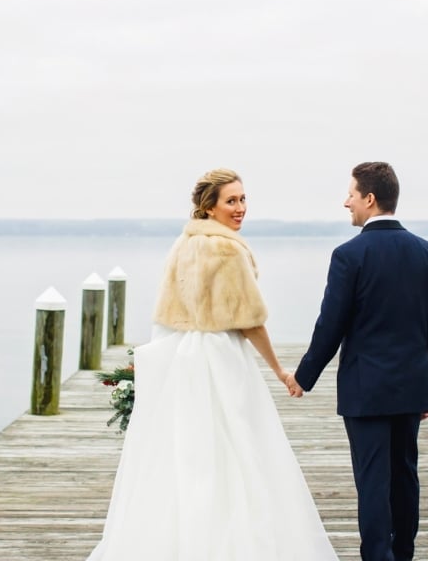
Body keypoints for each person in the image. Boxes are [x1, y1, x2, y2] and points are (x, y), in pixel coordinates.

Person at [85, 168, 337, 561]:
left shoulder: (184, 243)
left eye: (243, 199)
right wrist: (280, 370)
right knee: (237, 453)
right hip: (220, 357)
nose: (240, 208)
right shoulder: (227, 249)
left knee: (184, 454)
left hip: (184, 358)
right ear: (210, 206)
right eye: (231, 201)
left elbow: (167, 314)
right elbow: (251, 321)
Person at [289, 162, 428, 561]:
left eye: (351, 195)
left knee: (373, 481)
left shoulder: (348, 255)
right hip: (411, 387)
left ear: (370, 199)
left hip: (366, 389)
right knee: (405, 476)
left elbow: (331, 326)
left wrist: (303, 377)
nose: (347, 202)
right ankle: (403, 554)